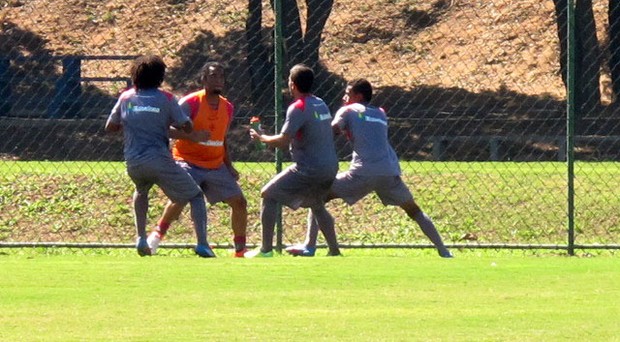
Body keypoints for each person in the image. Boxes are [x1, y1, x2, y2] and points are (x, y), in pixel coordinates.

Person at [285, 79, 453, 258]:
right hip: (389, 171)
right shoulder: (380, 113)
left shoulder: (347, 111)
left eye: (348, 93)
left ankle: (311, 247)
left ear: (358, 96)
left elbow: (328, 132)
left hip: (362, 173)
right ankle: (444, 251)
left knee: (317, 197)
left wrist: (303, 133)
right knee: (414, 210)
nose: (344, 97)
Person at [105, 54, 215, 258]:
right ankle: (202, 244)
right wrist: (180, 125)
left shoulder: (126, 97)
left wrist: (134, 122)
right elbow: (185, 125)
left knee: (141, 190)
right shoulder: (166, 98)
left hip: (134, 162)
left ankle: (140, 238)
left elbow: (110, 126)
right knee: (195, 195)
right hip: (160, 161)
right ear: (160, 77)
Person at [146, 61, 249, 257]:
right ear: (203, 79)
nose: (218, 80)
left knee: (240, 202)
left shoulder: (227, 107)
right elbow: (168, 129)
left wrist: (229, 166)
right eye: (212, 76)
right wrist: (192, 136)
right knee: (182, 197)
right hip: (187, 161)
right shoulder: (191, 102)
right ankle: (157, 236)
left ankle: (240, 250)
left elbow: (222, 138)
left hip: (215, 165)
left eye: (221, 76)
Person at [245, 64, 341, 258]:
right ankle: (334, 251)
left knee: (268, 194)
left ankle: (265, 250)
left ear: (293, 84)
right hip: (330, 166)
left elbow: (282, 141)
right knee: (317, 204)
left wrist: (261, 137)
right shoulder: (320, 103)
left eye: (289, 79)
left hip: (309, 168)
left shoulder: (298, 107)